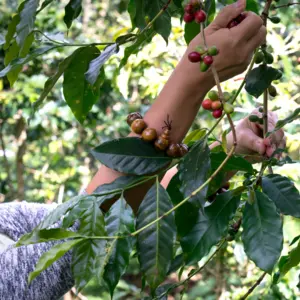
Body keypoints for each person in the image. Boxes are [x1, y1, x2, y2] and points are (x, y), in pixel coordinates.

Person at [0, 0, 286, 299]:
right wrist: (192, 79)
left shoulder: (10, 221)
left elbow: (109, 205)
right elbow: (77, 241)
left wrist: (221, 155)